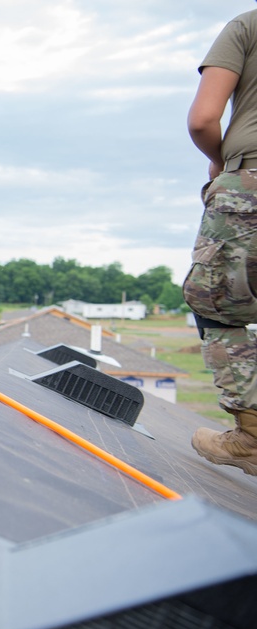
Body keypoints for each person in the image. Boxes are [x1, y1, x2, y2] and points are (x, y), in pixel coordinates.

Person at [183, 8, 257, 477]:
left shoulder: (248, 25)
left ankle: (252, 434)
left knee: (212, 300)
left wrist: (222, 162)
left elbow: (203, 119)